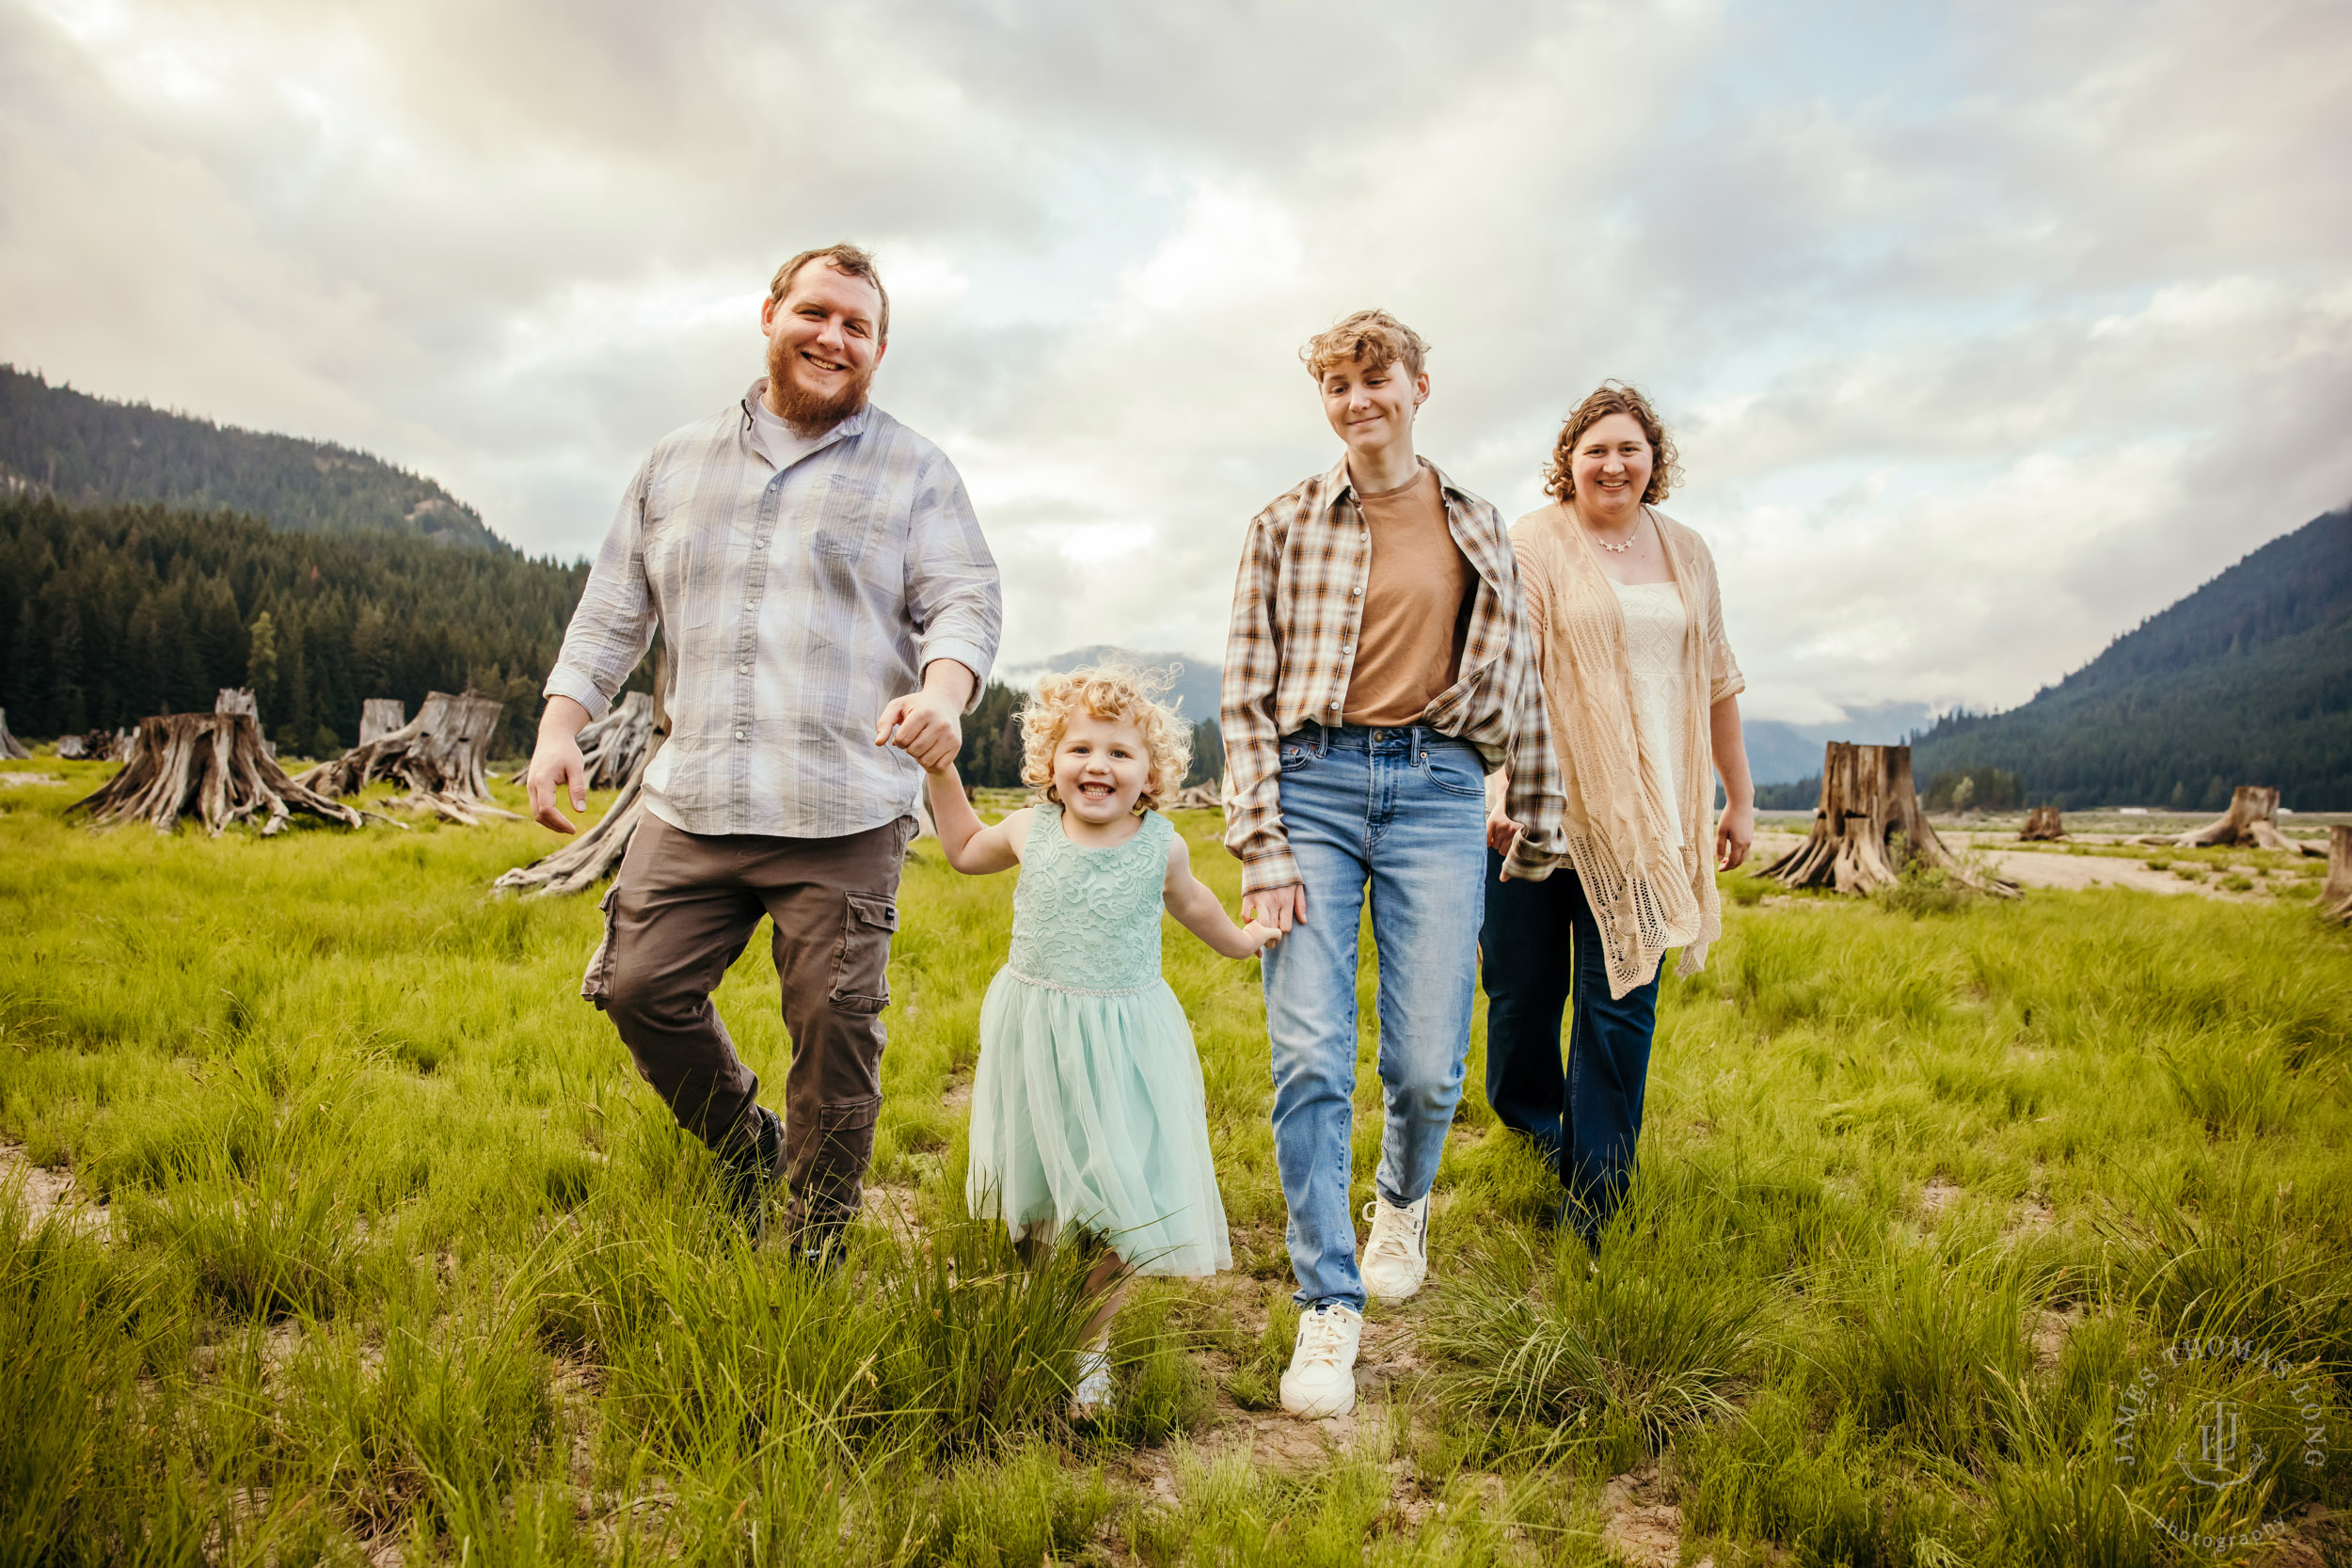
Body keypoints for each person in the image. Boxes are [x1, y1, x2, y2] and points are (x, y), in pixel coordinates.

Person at [528, 243, 1001, 1260]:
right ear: (769, 314)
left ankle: (811, 1249)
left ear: (878, 348)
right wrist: (561, 725)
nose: (834, 337)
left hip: (842, 808)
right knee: (638, 988)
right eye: (816, 313)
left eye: (858, 326)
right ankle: (747, 1145)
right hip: (693, 797)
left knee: (836, 1039)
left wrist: (945, 691)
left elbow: (964, 597)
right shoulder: (674, 462)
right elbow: (614, 606)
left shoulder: (915, 469)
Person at [1221, 310, 1566, 1419]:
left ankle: (1400, 1198)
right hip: (1313, 782)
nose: (1357, 399)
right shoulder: (1280, 523)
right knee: (1311, 1056)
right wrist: (1262, 842)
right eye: (1336, 384)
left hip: (1436, 788)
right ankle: (1328, 1303)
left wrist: (1534, 808)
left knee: (1424, 1065)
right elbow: (1242, 699)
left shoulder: (1477, 520)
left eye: (1376, 379)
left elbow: (1519, 673)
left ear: (1421, 385)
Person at [923, 667, 1274, 1414]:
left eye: (1120, 753)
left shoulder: (1162, 848)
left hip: (1124, 1041)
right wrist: (939, 767)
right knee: (1037, 1188)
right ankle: (1042, 1302)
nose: (1098, 765)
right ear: (1050, 760)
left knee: (1124, 1194)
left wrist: (1244, 943)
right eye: (1080, 747)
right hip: (1035, 1033)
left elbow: (1199, 906)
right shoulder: (1028, 830)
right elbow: (959, 848)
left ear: (1151, 774)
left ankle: (1092, 1346)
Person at [1483, 381, 1755, 1248]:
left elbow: (1716, 681)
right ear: (1568, 460)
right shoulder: (1534, 540)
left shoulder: (1688, 552)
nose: (1612, 462)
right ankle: (1536, 1128)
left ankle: (1596, 1193)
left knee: (1621, 1001)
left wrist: (1737, 797)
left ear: (1653, 460)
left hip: (1648, 819)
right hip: (1540, 808)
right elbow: (1509, 667)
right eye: (1595, 447)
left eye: (1629, 447)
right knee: (1523, 998)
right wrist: (1499, 790)